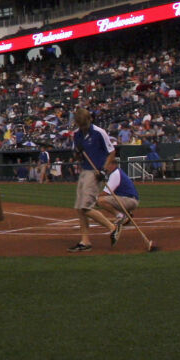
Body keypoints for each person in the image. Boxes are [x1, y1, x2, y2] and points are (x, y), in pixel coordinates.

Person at [70, 106, 115, 251]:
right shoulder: (77, 135)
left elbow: (111, 152)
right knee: (79, 208)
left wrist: (104, 169)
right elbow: (76, 156)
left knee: (85, 206)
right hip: (84, 170)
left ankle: (113, 227)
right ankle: (85, 241)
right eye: (81, 125)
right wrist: (77, 152)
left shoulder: (99, 133)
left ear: (90, 120)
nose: (83, 127)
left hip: (95, 172)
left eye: (85, 124)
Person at [95, 155, 141, 246]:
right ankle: (126, 214)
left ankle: (121, 216)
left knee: (100, 200)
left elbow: (106, 193)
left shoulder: (115, 174)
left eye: (107, 165)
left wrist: (94, 198)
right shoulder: (116, 173)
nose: (106, 167)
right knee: (106, 199)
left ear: (113, 165)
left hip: (129, 200)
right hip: (130, 199)